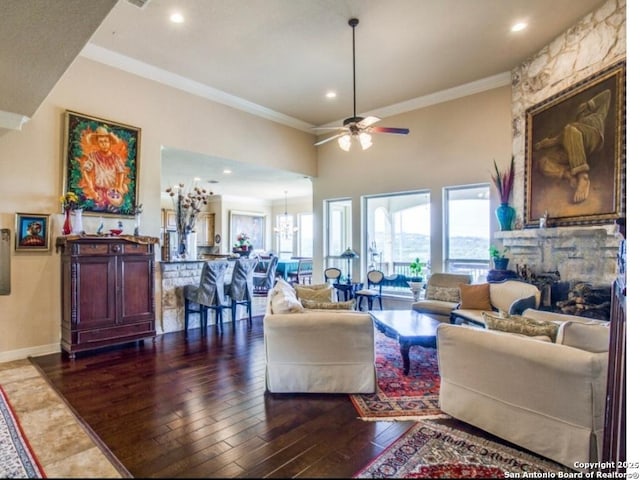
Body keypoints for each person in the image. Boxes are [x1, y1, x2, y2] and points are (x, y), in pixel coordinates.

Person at [533, 89, 611, 203]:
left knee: (570, 130)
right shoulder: (572, 128)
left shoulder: (598, 115)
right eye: (581, 113)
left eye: (584, 111)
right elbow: (552, 141)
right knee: (542, 162)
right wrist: (540, 145)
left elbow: (607, 93)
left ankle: (583, 177)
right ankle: (568, 174)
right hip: (572, 148)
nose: (582, 113)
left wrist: (588, 104)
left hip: (592, 137)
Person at [77, 125, 129, 211]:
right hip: (99, 191)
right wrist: (92, 190)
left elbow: (121, 172)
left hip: (112, 191)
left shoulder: (115, 157)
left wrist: (119, 186)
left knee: (114, 209)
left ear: (110, 142)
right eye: (101, 142)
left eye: (106, 141)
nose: (104, 144)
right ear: (97, 143)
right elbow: (85, 170)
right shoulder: (93, 156)